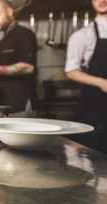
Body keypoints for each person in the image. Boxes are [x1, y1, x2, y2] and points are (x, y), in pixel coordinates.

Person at [65, 0, 107, 154]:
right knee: (95, 154)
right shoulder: (83, 35)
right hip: (96, 107)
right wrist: (101, 82)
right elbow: (71, 71)